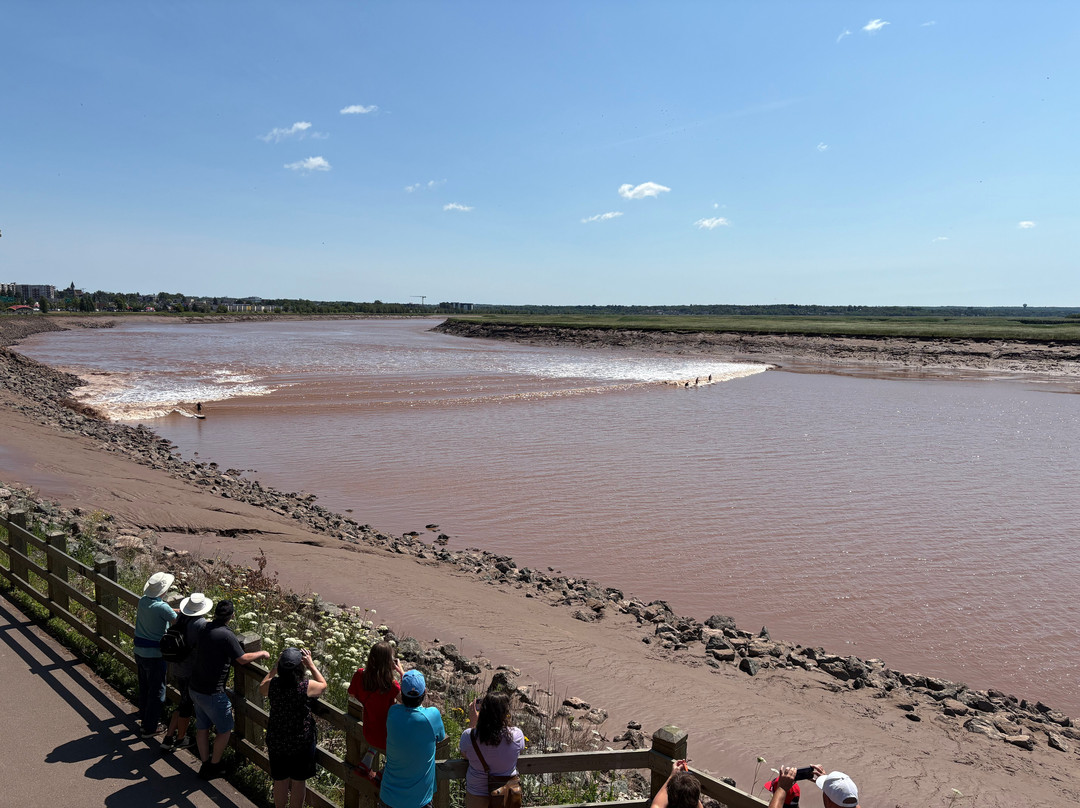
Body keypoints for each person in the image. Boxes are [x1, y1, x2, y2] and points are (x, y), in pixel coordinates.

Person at [188, 599, 270, 779]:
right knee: (225, 730)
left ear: (215, 613)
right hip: (212, 692)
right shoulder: (226, 635)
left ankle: (205, 763)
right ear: (231, 616)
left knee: (202, 727)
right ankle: (214, 765)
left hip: (195, 688)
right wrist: (262, 653)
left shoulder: (204, 629)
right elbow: (242, 658)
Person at [259, 647, 327, 808]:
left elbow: (262, 686)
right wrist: (311, 665)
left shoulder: (273, 685)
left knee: (280, 780)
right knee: (298, 782)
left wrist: (275, 668)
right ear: (300, 667)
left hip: (277, 739)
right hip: (300, 742)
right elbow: (323, 685)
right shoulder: (305, 686)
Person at [380, 669, 446, 808]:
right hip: (419, 800)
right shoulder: (432, 716)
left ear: (402, 694)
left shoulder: (392, 713)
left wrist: (405, 680)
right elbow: (440, 737)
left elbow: (404, 704)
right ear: (425, 692)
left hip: (389, 796)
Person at [161, 592, 213, 752]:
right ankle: (181, 739)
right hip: (190, 670)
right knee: (186, 705)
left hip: (177, 666)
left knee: (183, 702)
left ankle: (169, 737)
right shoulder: (200, 624)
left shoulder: (182, 617)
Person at [459, 691, 525, 808]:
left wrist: (473, 723)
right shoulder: (517, 735)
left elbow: (465, 755)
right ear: (506, 712)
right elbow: (519, 751)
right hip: (506, 792)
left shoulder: (469, 735)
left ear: (483, 711)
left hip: (477, 793)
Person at [133, 571, 178, 739]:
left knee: (145, 686)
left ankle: (144, 717)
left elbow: (161, 611)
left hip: (140, 652)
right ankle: (150, 727)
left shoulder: (143, 601)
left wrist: (173, 609)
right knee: (158, 691)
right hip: (155, 655)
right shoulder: (162, 607)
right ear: (163, 591)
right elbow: (176, 622)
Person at [347, 641, 404, 757]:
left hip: (369, 733)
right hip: (387, 738)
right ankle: (386, 771)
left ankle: (370, 756)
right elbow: (408, 702)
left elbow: (352, 694)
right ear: (389, 662)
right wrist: (402, 673)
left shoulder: (359, 674)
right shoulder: (390, 685)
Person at [768, 766, 860, 808]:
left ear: (828, 801)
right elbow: (851, 801)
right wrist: (829, 783)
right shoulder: (852, 803)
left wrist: (782, 788)